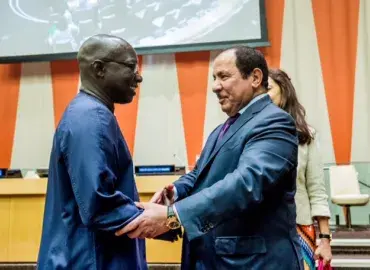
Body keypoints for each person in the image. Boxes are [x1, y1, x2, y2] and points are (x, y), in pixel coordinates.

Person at [116, 46, 303, 270]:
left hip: (253, 262)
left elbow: (247, 183)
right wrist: (174, 193)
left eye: (224, 76)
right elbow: (200, 174)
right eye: (214, 78)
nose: (215, 87)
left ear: (255, 77)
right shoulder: (223, 128)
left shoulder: (274, 122)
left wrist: (173, 215)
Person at [37, 34, 147, 270]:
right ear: (99, 69)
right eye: (130, 67)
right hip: (89, 260)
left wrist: (146, 209)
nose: (138, 77)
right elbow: (98, 204)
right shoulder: (90, 117)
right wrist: (166, 219)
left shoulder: (89, 113)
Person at [268, 68, 332, 269]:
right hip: (260, 231)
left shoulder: (305, 136)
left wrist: (325, 239)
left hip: (299, 229)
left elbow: (316, 190)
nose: (261, 96)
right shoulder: (247, 134)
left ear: (284, 92)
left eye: (267, 89)